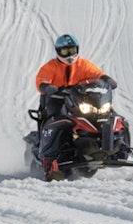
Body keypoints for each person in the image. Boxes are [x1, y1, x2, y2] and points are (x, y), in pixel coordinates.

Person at [33, 35, 115, 165]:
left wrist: (106, 79)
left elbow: (96, 74)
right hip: (56, 99)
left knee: (110, 114)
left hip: (79, 99)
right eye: (65, 52)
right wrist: (47, 87)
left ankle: (117, 147)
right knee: (57, 119)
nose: (69, 55)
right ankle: (48, 152)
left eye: (72, 50)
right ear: (58, 52)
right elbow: (41, 80)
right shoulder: (50, 67)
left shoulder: (84, 65)